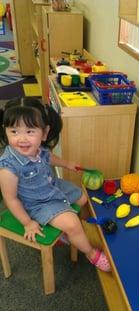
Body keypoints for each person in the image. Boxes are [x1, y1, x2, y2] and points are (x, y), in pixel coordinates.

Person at [0, 97, 110, 272]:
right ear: (5, 131)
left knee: (82, 197)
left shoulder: (38, 149)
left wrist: (66, 164)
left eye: (29, 131)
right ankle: (90, 253)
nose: (21, 139)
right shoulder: (8, 168)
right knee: (73, 223)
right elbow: (11, 199)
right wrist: (27, 222)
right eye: (14, 131)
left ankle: (70, 233)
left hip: (52, 187)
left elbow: (48, 157)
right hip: (35, 204)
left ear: (44, 133)